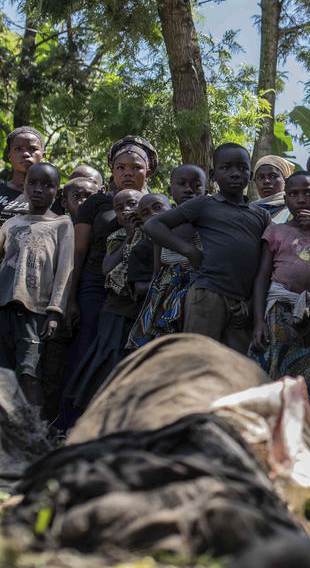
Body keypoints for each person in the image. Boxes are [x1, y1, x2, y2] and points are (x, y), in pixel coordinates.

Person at [60, 135, 157, 426]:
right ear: (112, 170)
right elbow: (79, 251)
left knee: (126, 355)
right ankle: (71, 422)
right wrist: (71, 299)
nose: (128, 173)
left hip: (138, 291)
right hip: (94, 286)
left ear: (148, 170)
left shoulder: (157, 203)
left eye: (135, 167)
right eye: (120, 167)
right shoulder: (97, 204)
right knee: (87, 348)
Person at [145, 144, 270, 353]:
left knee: (234, 369)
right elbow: (153, 225)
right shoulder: (204, 204)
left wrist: (250, 305)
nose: (235, 174)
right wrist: (189, 251)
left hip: (242, 304)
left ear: (250, 175)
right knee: (197, 361)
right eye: (226, 168)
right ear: (213, 175)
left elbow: (264, 269)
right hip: (207, 294)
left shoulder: (261, 215)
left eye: (242, 168)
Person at [0, 162, 73, 405]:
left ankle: (35, 436)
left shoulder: (62, 224)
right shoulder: (12, 223)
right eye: (32, 183)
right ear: (24, 186)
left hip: (36, 310)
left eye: (47, 185)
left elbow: (65, 270)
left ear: (57, 191)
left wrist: (55, 312)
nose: (38, 189)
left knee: (29, 374)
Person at [62, 188, 145, 419]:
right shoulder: (116, 237)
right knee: (107, 362)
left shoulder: (157, 232)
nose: (126, 211)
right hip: (116, 308)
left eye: (132, 204)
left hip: (144, 310)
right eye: (119, 208)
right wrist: (129, 235)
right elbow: (107, 267)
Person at [251, 172, 310, 401]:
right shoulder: (275, 231)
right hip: (279, 310)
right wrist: (259, 321)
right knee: (276, 372)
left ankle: (305, 428)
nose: (301, 199)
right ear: (285, 198)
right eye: (293, 194)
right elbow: (262, 277)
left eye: (308, 193)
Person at [127, 164, 207, 349]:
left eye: (196, 185)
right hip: (165, 296)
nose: (189, 189)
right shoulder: (160, 226)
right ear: (170, 190)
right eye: (182, 184)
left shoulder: (211, 221)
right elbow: (157, 269)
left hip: (199, 291)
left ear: (206, 189)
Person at [0, 126, 45, 245]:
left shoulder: (52, 196)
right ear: (9, 156)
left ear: (43, 156)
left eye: (33, 149)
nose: (25, 154)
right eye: (18, 149)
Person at [252, 154, 295, 222]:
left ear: (286, 180)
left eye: (273, 176)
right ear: (255, 182)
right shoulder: (249, 211)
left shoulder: (294, 210)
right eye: (261, 177)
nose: (266, 181)